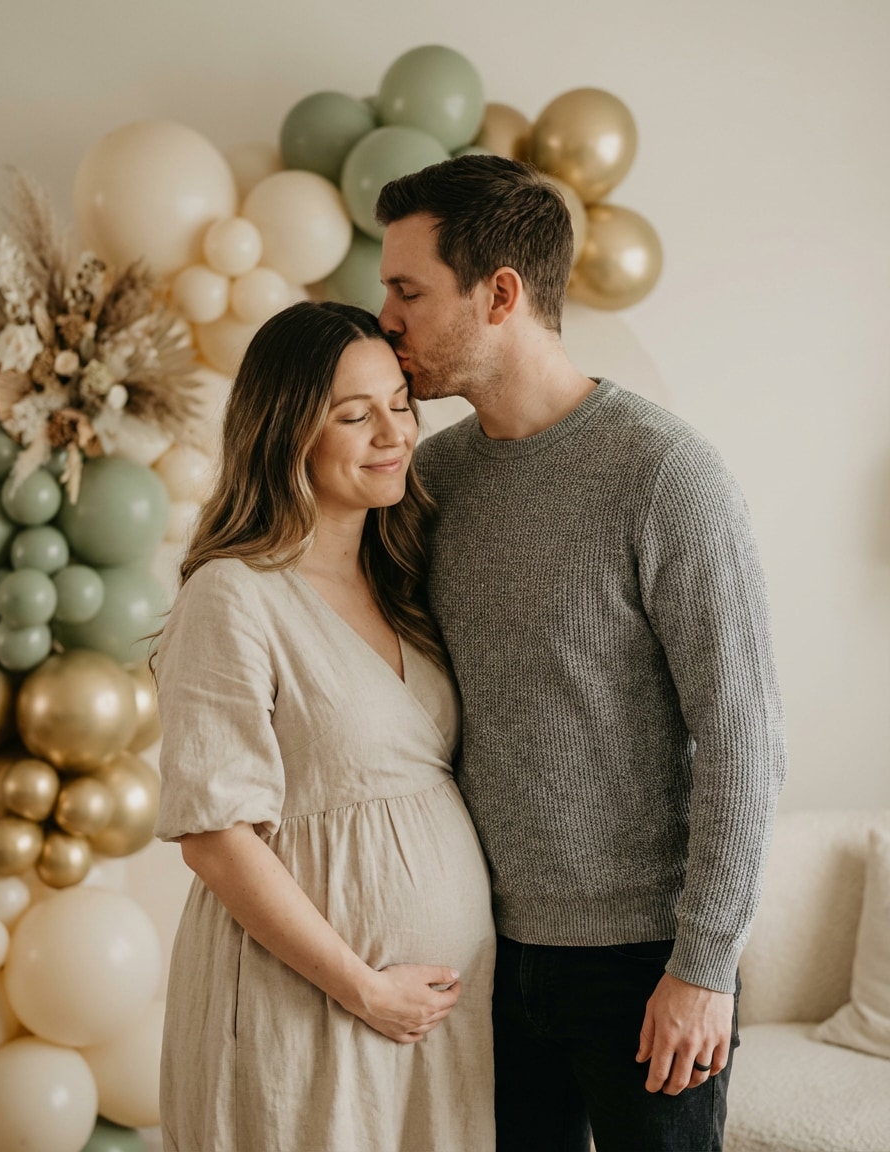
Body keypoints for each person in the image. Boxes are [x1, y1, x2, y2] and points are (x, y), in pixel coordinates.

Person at [375, 154, 788, 1152]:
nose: (385, 319)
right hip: (482, 952)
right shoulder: (433, 478)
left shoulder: (666, 475)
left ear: (500, 295)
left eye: (407, 292)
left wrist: (704, 968)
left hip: (647, 965)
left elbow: (743, 740)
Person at [152, 300, 495, 1152]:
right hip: (309, 1001)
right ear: (287, 431)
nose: (393, 433)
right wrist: (363, 989)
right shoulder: (234, 595)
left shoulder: (403, 579)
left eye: (400, 404)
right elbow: (215, 837)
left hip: (435, 1019)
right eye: (354, 415)